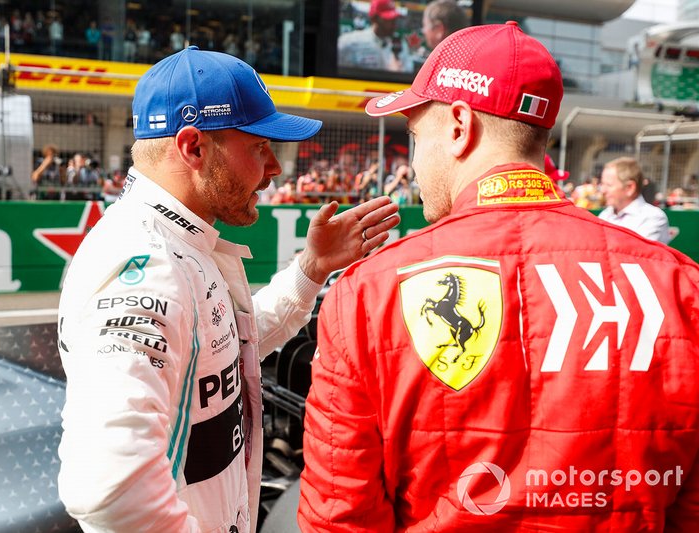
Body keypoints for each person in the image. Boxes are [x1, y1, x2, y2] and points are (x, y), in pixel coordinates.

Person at [299, 22, 699, 531]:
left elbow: (341, 517)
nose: (415, 161)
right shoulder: (682, 285)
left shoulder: (369, 292)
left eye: (415, 136)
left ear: (460, 126)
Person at [56, 46, 400, 533]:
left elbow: (227, 348)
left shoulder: (178, 244)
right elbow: (109, 488)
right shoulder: (144, 263)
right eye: (259, 146)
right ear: (193, 147)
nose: (276, 167)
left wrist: (312, 269)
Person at [598, 156, 671, 243]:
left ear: (630, 188)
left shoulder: (652, 217)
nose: (602, 190)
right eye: (602, 184)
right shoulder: (605, 215)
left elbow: (639, 253)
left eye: (609, 185)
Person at [338, 0, 413, 73]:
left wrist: (399, 72)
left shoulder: (400, 44)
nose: (393, 24)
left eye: (394, 19)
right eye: (388, 19)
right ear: (374, 18)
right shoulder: (351, 42)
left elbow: (408, 71)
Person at [413, 0, 468, 68]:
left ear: (439, 29)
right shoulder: (466, 61)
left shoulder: (440, 68)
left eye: (425, 25)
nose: (424, 31)